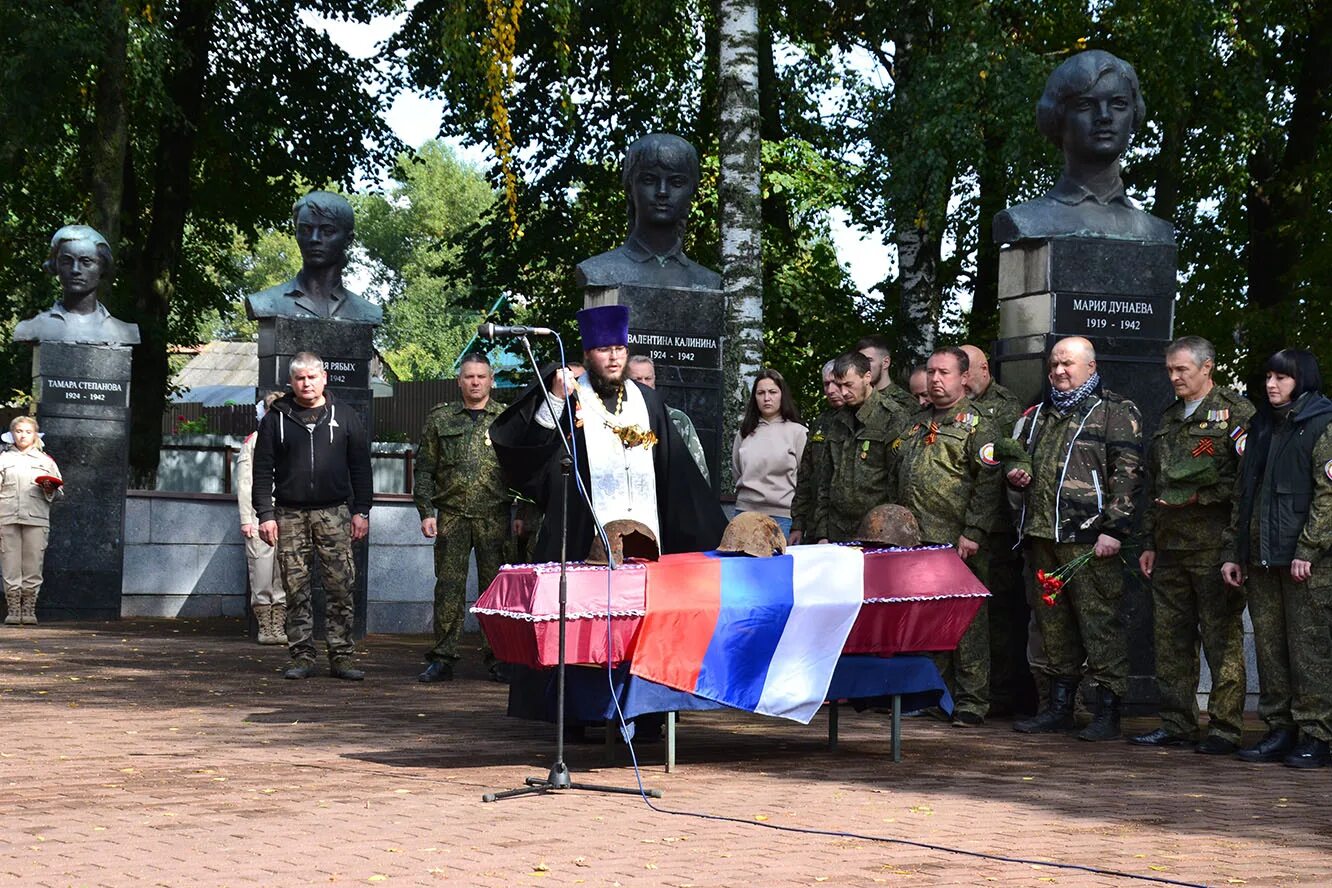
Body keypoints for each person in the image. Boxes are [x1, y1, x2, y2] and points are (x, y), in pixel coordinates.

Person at [490, 305, 727, 563]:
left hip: (646, 533)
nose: (614, 358)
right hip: (585, 532)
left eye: (620, 349)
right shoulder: (572, 398)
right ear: (588, 354)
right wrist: (556, 400)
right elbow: (534, 459)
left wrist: (715, 535)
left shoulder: (647, 401)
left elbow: (678, 474)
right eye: (604, 350)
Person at [1005, 336, 1142, 741]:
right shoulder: (1038, 415)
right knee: (1054, 626)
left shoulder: (1113, 411)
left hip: (1089, 539)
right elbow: (1018, 455)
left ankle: (1108, 710)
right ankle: (1060, 707)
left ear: (1091, 367)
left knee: (1100, 626)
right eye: (1053, 365)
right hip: (1043, 534)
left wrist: (1114, 529)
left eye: (1067, 364)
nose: (1059, 372)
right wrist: (1017, 470)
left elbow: (1128, 473)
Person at [1130, 337, 1252, 754]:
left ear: (1207, 368)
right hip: (1169, 548)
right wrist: (1148, 541)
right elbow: (1154, 485)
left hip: (1213, 549)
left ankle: (1224, 728)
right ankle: (1177, 723)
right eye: (1169, 370)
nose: (1174, 377)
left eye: (1182, 369)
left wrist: (1233, 547)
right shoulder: (1168, 419)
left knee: (1222, 641)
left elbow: (1243, 488)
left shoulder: (1237, 414)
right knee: (1171, 641)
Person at [1223, 349, 1332, 768]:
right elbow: (1243, 495)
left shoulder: (1323, 424)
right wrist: (1234, 552)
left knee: (1310, 650)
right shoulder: (1261, 426)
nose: (1272, 385)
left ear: (1302, 379)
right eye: (1268, 376)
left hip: (1305, 562)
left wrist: (1309, 549)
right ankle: (1280, 728)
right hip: (1262, 558)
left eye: (1282, 378)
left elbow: (1328, 497)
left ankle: (1317, 734)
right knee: (1270, 648)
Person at [887, 347, 1002, 725]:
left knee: (967, 623)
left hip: (959, 542)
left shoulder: (978, 424)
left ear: (964, 378)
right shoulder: (915, 422)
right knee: (928, 620)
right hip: (917, 541)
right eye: (931, 372)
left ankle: (971, 701)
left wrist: (974, 531)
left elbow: (988, 483)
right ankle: (936, 692)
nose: (936, 379)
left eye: (945, 373)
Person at [252, 352, 373, 681]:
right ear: (291, 382)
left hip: (334, 512)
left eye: (312, 377)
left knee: (341, 586)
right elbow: (262, 470)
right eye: (300, 378)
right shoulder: (275, 417)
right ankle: (302, 655)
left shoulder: (345, 416)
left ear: (324, 378)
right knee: (296, 588)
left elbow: (361, 466)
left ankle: (342, 656)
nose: (306, 383)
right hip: (289, 515)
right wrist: (265, 513)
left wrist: (362, 510)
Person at [994, 50, 1173, 245]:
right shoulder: (1026, 222)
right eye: (1085, 105)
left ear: (1134, 115)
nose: (1104, 116)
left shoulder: (1157, 232)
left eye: (1118, 104)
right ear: (1057, 117)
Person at [414, 353, 516, 683]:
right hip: (452, 516)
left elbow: (522, 470)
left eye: (481, 377)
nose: (475, 382)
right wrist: (426, 511)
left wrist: (520, 511)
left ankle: (499, 657)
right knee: (448, 588)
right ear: (459, 381)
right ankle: (443, 658)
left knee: (496, 590)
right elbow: (425, 469)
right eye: (469, 376)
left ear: (491, 380)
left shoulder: (506, 419)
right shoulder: (440, 419)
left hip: (495, 517)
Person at [961, 344, 1031, 717]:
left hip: (1000, 527)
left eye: (965, 370)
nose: (960, 378)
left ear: (984, 369)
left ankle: (1003, 692)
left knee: (1001, 614)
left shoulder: (1006, 406)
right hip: (969, 524)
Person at [576, 134, 721, 292]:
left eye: (676, 182)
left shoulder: (707, 281)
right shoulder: (598, 271)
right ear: (630, 188)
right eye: (649, 180)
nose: (662, 192)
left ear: (691, 191)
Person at [814, 351, 910, 543]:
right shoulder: (837, 420)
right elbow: (825, 480)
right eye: (839, 386)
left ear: (867, 377)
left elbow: (900, 480)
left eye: (849, 385)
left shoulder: (893, 417)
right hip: (837, 529)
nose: (842, 393)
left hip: (878, 529)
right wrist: (822, 532)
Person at [245, 191, 383, 323]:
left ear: (348, 239)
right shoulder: (265, 302)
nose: (314, 239)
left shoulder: (367, 312)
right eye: (305, 230)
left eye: (327, 231)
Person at [13, 225, 140, 345]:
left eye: (86, 261)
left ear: (102, 266)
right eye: (66, 261)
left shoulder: (123, 331)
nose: (75, 270)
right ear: (55, 265)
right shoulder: (33, 328)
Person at [236, 392, 287, 645]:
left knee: (283, 574)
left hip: (286, 516)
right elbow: (246, 482)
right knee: (262, 573)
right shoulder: (255, 440)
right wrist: (247, 518)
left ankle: (279, 624)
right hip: (260, 517)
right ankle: (265, 626)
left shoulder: (288, 437)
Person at [0, 416, 62, 625]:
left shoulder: (45, 461)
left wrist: (48, 488)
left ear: (35, 435)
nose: (22, 435)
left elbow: (59, 490)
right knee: (10, 565)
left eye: (27, 431)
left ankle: (29, 609)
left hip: (36, 519)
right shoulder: (3, 459)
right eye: (18, 431)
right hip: (7, 518)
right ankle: (13, 609)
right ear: (12, 434)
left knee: (33, 565)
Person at [732, 369, 807, 540]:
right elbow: (737, 471)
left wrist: (799, 524)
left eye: (772, 392)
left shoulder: (798, 433)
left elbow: (806, 482)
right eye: (761, 393)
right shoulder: (744, 432)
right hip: (744, 515)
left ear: (782, 395)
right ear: (755, 397)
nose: (767, 398)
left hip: (783, 518)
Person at [627, 355, 709, 484]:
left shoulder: (677, 420)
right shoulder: (617, 419)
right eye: (637, 379)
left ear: (654, 379)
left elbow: (697, 468)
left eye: (647, 378)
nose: (643, 383)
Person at [789, 361, 843, 545]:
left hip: (843, 528)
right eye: (826, 384)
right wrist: (797, 524)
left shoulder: (860, 420)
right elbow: (805, 475)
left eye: (836, 383)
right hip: (813, 524)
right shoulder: (820, 422)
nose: (831, 390)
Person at [856, 334, 917, 412]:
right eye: (860, 361)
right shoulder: (855, 399)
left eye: (869, 360)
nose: (862, 366)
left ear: (886, 362)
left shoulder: (906, 402)